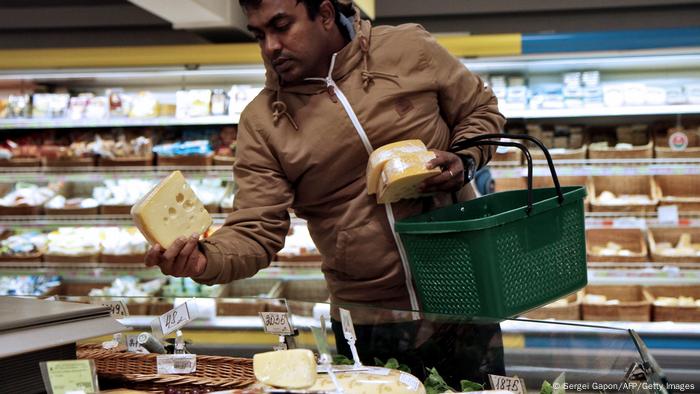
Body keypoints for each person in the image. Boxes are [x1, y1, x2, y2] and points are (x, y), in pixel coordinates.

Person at [145, 0, 506, 386]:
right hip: (368, 318)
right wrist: (205, 261)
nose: (270, 47)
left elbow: (481, 111)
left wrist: (464, 158)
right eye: (259, 35)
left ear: (326, 14)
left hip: (466, 294)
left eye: (281, 26)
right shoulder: (264, 122)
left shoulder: (409, 48)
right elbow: (256, 229)